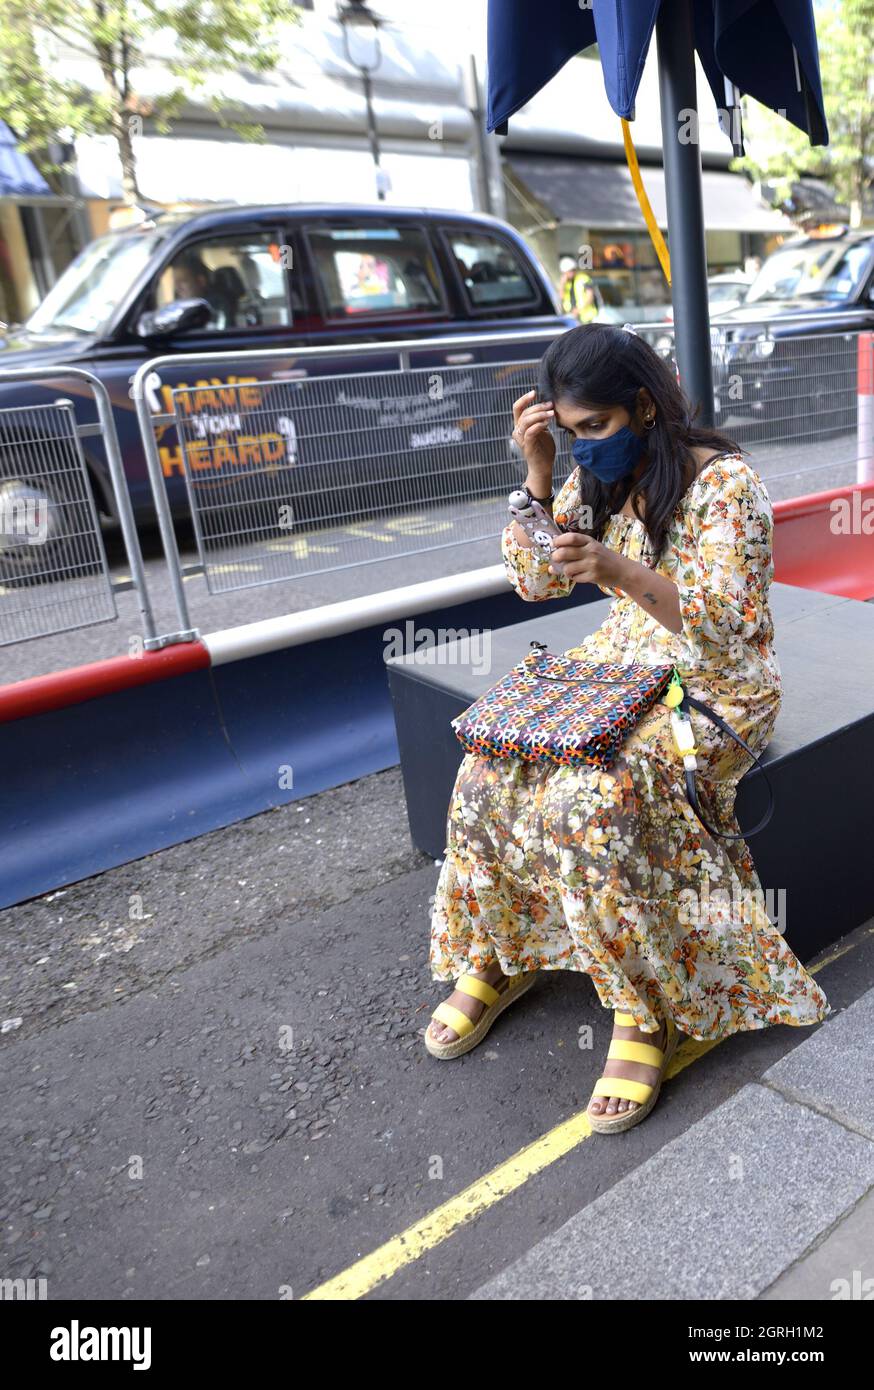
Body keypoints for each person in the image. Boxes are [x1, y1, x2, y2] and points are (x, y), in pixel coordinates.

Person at [425, 323, 831, 1134]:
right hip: (622, 664)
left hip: (716, 684)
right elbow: (534, 581)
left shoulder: (728, 486)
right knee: (486, 771)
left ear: (643, 405)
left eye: (595, 429)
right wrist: (536, 479)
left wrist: (619, 569)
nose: (584, 449)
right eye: (569, 434)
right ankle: (498, 955)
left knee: (592, 800)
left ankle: (644, 1008)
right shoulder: (592, 477)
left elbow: (727, 630)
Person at [559, 254, 598, 323]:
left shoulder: (583, 278)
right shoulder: (565, 283)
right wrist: (562, 285)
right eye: (568, 271)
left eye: (572, 270)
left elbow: (590, 297)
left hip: (586, 318)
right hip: (571, 318)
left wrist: (578, 310)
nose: (571, 273)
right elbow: (561, 298)